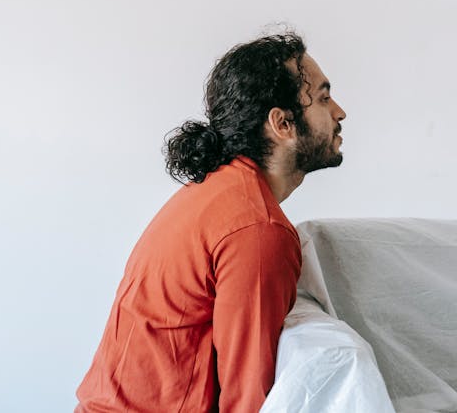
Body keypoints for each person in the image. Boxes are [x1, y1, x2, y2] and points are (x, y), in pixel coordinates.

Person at [75, 32, 347, 412]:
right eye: (322, 97)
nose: (339, 111)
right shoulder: (257, 229)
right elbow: (249, 400)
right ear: (282, 124)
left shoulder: (218, 192)